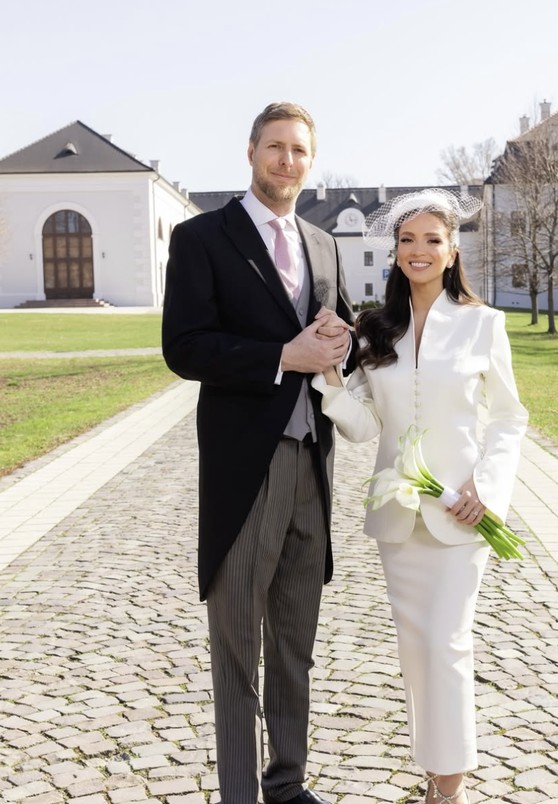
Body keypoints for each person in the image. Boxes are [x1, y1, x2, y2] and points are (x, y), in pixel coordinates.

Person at [162, 102, 355, 804]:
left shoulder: (323, 243)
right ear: (251, 153)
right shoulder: (202, 237)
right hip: (248, 469)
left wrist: (341, 340)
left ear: (311, 160)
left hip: (314, 465)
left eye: (299, 151)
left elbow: (345, 328)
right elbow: (183, 348)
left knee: (296, 644)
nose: (287, 161)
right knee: (238, 647)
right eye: (275, 148)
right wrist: (281, 355)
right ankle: (240, 794)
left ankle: (287, 783)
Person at [312, 189, 528, 804]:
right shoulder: (375, 329)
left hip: (462, 514)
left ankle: (451, 787)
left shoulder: (484, 324)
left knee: (447, 641)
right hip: (397, 518)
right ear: (395, 251)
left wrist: (484, 489)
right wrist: (332, 378)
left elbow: (511, 419)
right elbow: (361, 426)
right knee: (415, 648)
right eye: (408, 240)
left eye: (433, 240)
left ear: (452, 248)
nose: (419, 250)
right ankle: (434, 771)